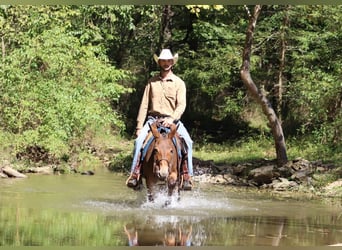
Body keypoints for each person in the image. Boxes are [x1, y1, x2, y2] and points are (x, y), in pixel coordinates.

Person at [126, 49, 193, 190]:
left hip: (172, 120)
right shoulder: (151, 82)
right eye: (163, 61)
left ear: (172, 62)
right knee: (138, 142)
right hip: (153, 121)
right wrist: (139, 126)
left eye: (169, 61)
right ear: (159, 62)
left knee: (188, 142)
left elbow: (181, 104)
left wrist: (172, 118)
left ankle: (187, 176)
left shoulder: (179, 83)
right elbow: (144, 105)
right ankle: (135, 175)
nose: (166, 63)